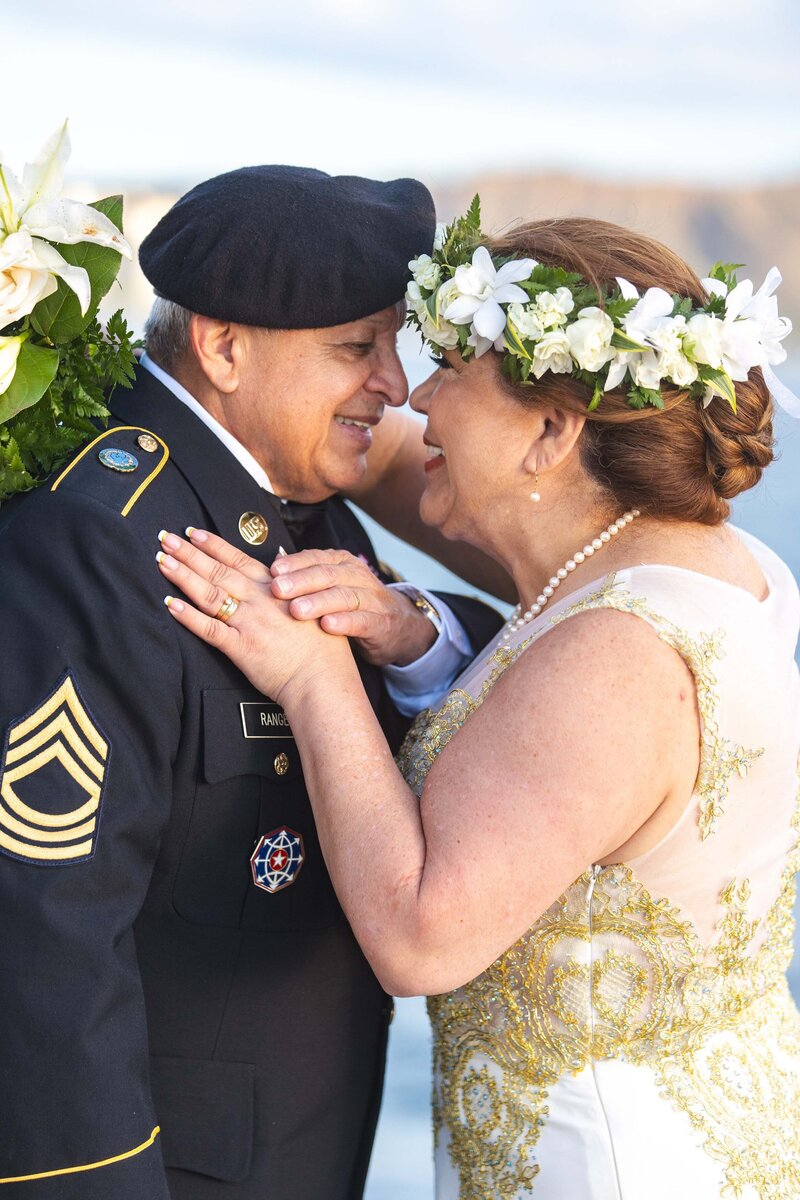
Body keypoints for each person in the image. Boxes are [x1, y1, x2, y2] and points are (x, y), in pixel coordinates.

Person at [155, 213, 800, 1199]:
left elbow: (421, 937)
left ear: (550, 432)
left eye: (452, 369)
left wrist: (316, 676)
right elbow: (373, 456)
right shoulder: (701, 560)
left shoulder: (617, 659)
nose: (414, 394)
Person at [0, 167, 503, 1199]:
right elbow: (45, 930)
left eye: (394, 345)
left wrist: (412, 630)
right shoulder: (100, 543)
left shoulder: (291, 500)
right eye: (355, 348)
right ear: (224, 348)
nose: (395, 386)